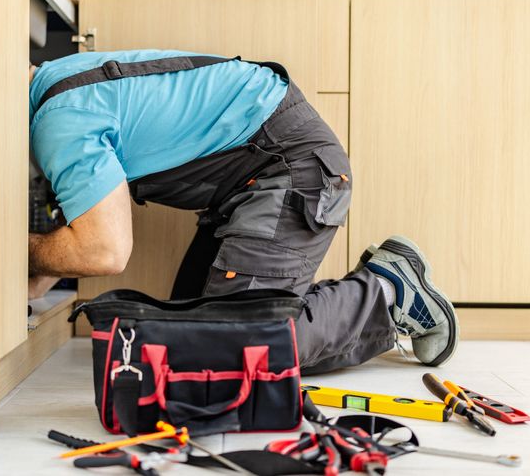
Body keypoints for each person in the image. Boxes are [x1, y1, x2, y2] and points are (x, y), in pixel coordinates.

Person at [27, 50, 459, 372]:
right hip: (250, 180)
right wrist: (35, 277)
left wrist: (20, 253)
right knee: (190, 345)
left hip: (288, 167)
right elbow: (90, 213)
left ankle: (388, 290)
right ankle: (348, 301)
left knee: (234, 348)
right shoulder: (56, 82)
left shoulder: (58, 122)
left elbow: (103, 251)